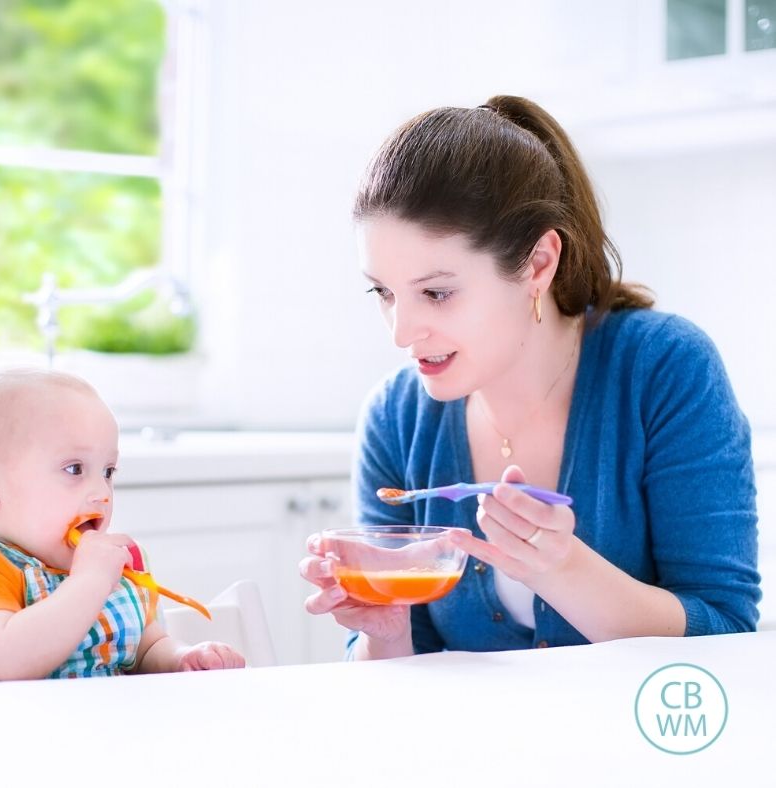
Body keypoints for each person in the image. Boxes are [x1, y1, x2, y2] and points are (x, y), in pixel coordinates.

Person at [300, 95, 760, 659]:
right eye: (384, 292)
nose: (400, 332)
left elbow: (729, 634)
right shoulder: (396, 419)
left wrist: (564, 570)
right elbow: (397, 682)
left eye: (437, 293)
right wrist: (385, 634)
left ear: (539, 264)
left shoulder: (662, 370)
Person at [0, 366, 245, 682]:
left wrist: (181, 657)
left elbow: (146, 649)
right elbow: (12, 660)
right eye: (74, 469)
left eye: (108, 471)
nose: (102, 493)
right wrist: (90, 581)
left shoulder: (108, 570)